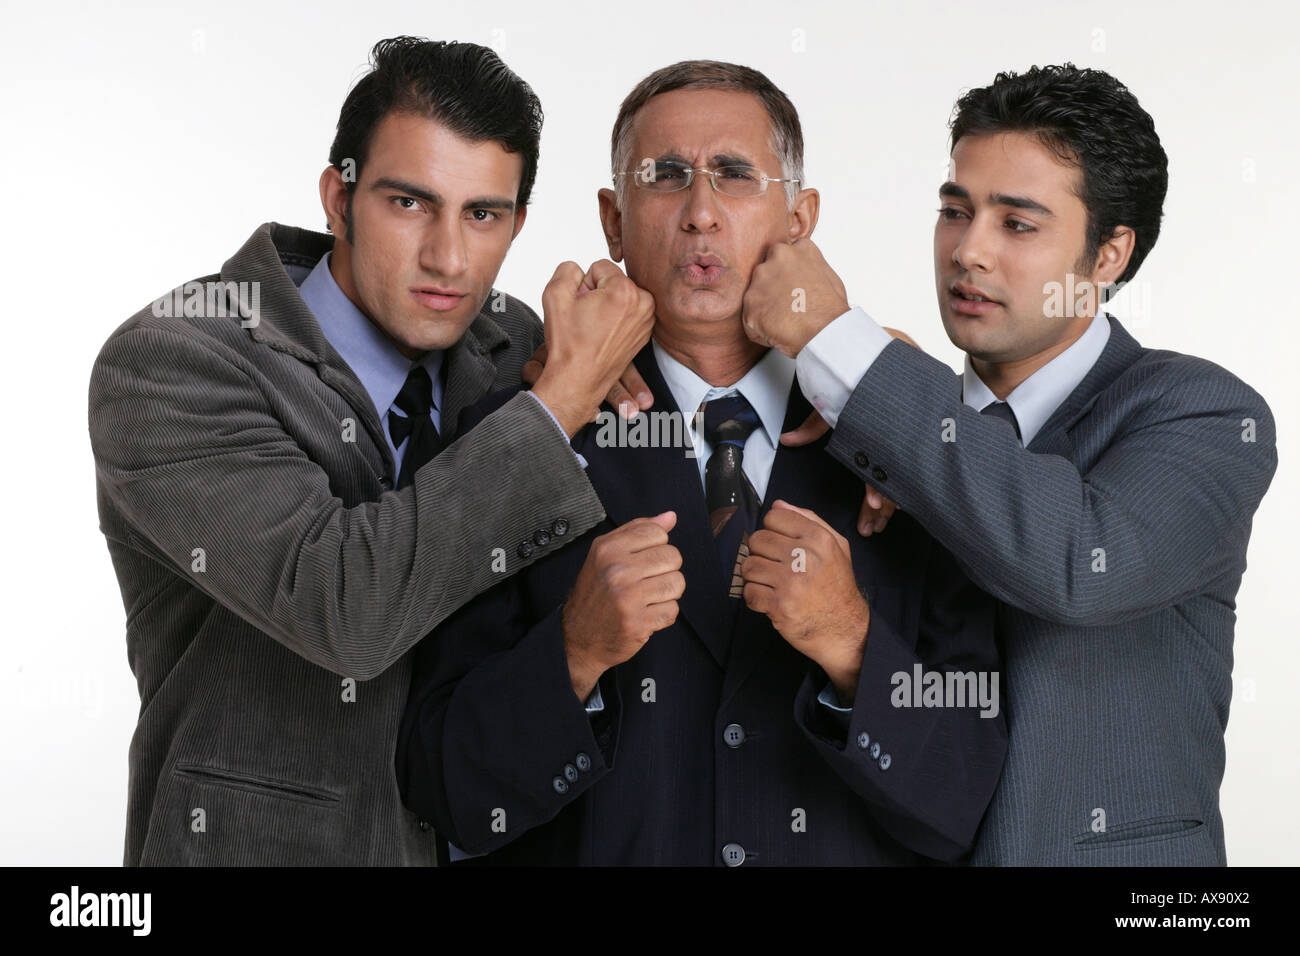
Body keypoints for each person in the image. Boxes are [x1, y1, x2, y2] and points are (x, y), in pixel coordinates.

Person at [397, 60, 1007, 866]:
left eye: (734, 176)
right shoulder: (517, 437)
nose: (700, 214)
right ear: (614, 222)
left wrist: (851, 643)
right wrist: (572, 653)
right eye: (667, 178)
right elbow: (445, 792)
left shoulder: (910, 445)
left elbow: (963, 802)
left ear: (799, 219)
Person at [87, 36, 652, 866]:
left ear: (517, 224)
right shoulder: (176, 362)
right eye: (409, 203)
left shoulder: (516, 347)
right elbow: (346, 611)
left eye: (483, 214)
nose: (448, 258)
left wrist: (845, 388)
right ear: (338, 196)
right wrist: (559, 400)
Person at [740, 64, 1277, 864]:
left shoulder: (1204, 415)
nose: (969, 251)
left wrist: (835, 338)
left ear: (1109, 255)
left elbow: (1078, 565)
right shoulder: (888, 429)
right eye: (955, 211)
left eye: (1017, 224)